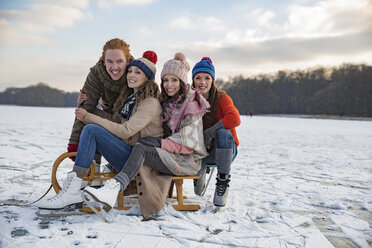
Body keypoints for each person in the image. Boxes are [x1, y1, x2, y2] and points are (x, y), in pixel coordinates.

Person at [82, 53, 209, 213]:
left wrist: (159, 143)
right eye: (165, 80)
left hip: (185, 161)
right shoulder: (166, 101)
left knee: (141, 147)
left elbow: (189, 145)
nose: (169, 85)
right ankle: (99, 185)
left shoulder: (192, 107)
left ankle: (112, 189)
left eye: (174, 80)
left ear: (183, 82)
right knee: (140, 145)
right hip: (165, 153)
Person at [37, 51, 163, 210]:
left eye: (138, 72)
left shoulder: (149, 102)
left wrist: (89, 117)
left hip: (141, 162)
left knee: (92, 130)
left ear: (147, 78)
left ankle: (73, 190)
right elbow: (114, 121)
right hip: (130, 154)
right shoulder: (132, 99)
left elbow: (125, 130)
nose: (131, 75)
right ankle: (77, 184)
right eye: (130, 71)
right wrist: (87, 107)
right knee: (92, 130)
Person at [67, 38, 134, 169]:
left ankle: (114, 166)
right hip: (107, 111)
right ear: (104, 62)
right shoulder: (96, 74)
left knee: (93, 121)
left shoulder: (134, 74)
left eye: (120, 61)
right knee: (89, 116)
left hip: (128, 125)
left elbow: (119, 121)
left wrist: (90, 113)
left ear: (128, 62)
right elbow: (85, 107)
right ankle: (94, 168)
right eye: (110, 61)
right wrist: (74, 142)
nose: (115, 67)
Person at [192, 57, 241, 208]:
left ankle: (222, 181)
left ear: (212, 80)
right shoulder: (189, 99)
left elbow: (235, 118)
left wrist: (209, 133)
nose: (202, 82)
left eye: (207, 78)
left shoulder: (222, 98)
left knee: (223, 133)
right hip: (199, 152)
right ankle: (199, 169)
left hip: (224, 149)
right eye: (198, 78)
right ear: (193, 80)